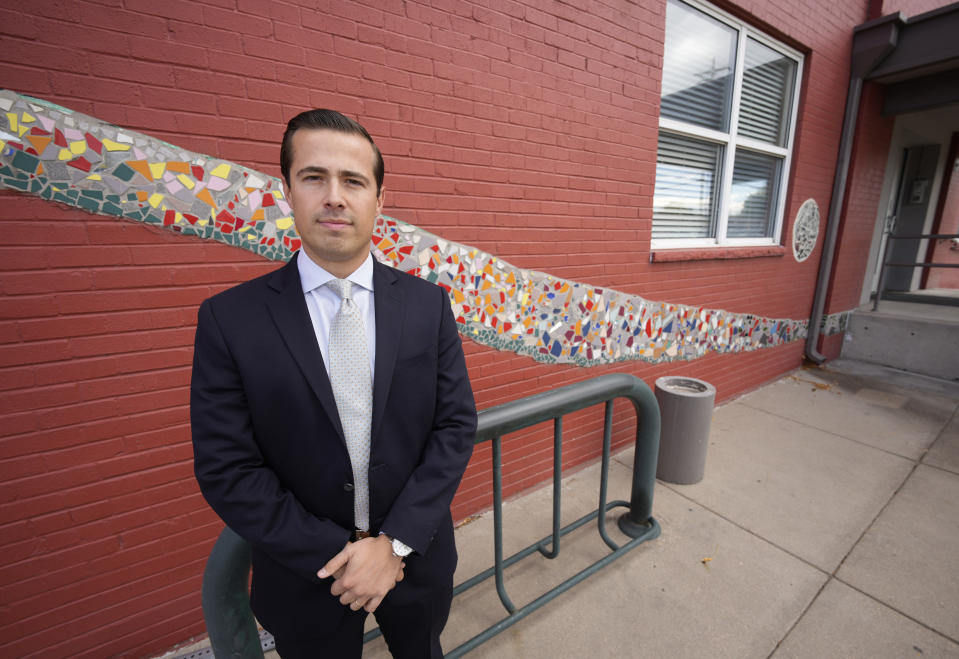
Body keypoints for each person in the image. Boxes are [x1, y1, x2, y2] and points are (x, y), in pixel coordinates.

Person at [190, 109, 477, 658]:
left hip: (415, 560)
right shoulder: (230, 320)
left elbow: (455, 423)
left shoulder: (427, 305)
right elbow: (227, 467)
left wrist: (392, 545)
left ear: (378, 199)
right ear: (288, 192)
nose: (335, 197)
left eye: (353, 181)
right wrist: (342, 555)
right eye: (315, 177)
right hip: (306, 576)